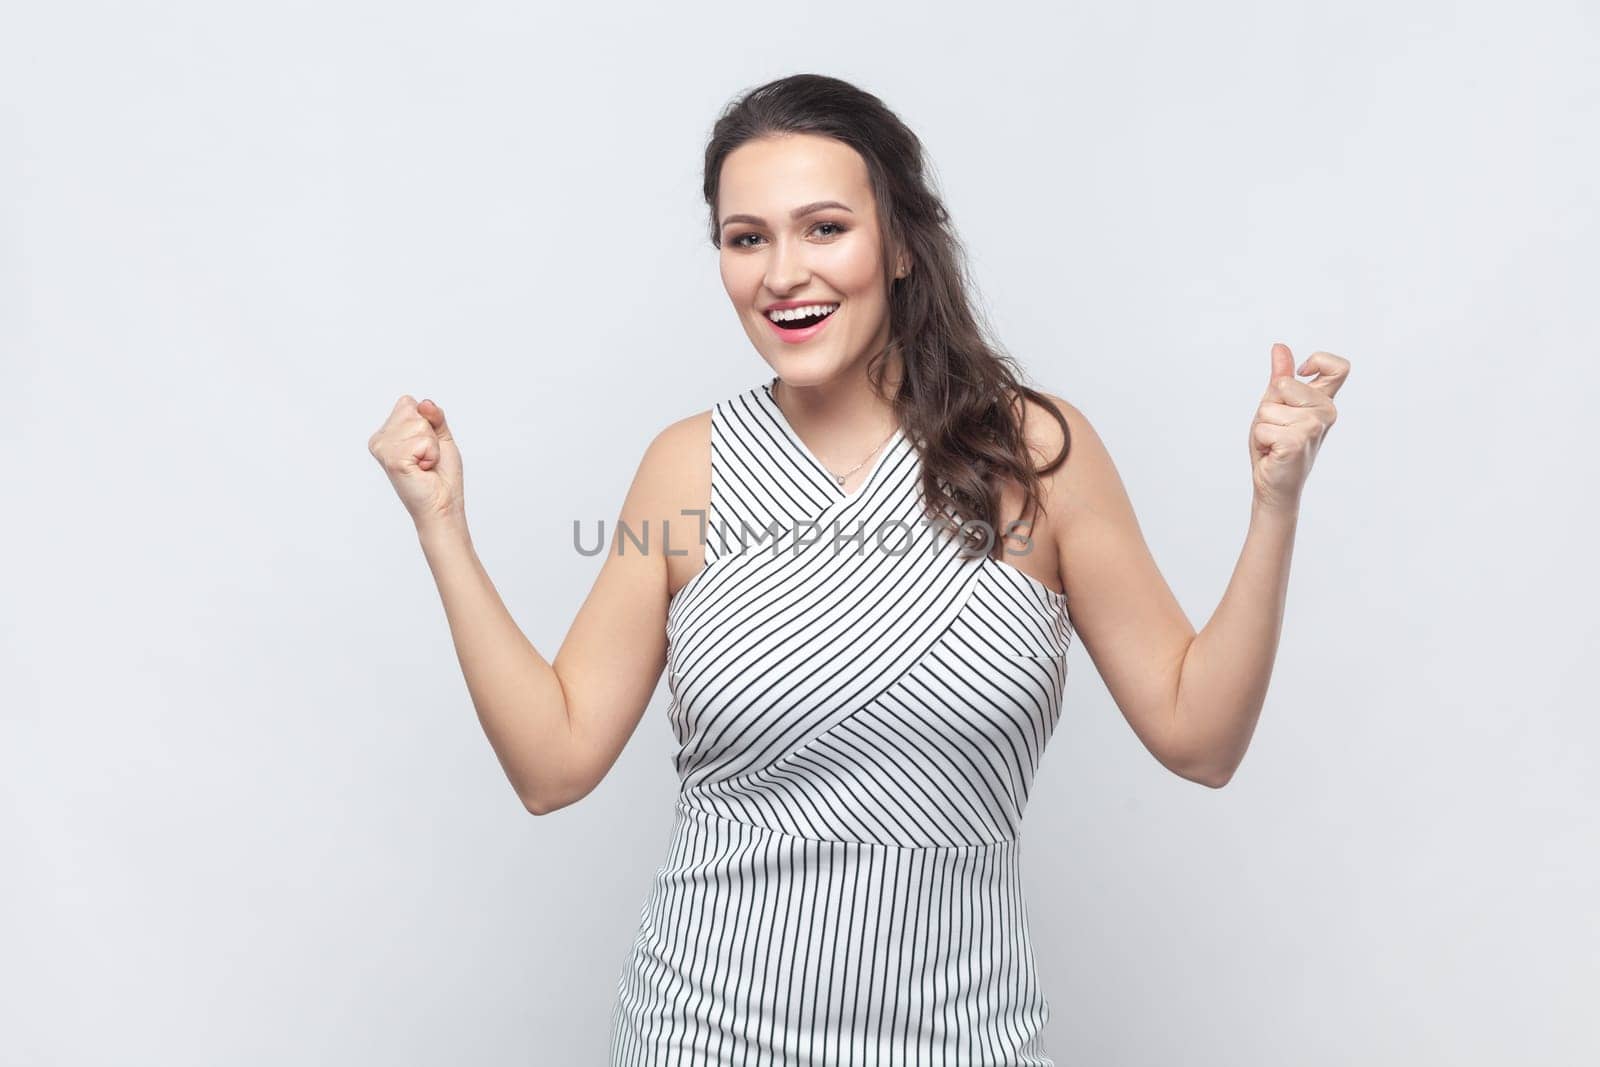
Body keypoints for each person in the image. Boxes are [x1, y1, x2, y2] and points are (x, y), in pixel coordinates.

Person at [366, 73, 1350, 1065]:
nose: (782, 272)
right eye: (746, 238)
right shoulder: (685, 468)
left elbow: (1200, 736)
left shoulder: (1037, 451)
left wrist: (1275, 500)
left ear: (902, 244)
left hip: (966, 1039)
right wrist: (442, 523)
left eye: (824, 227)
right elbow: (553, 761)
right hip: (701, 1037)